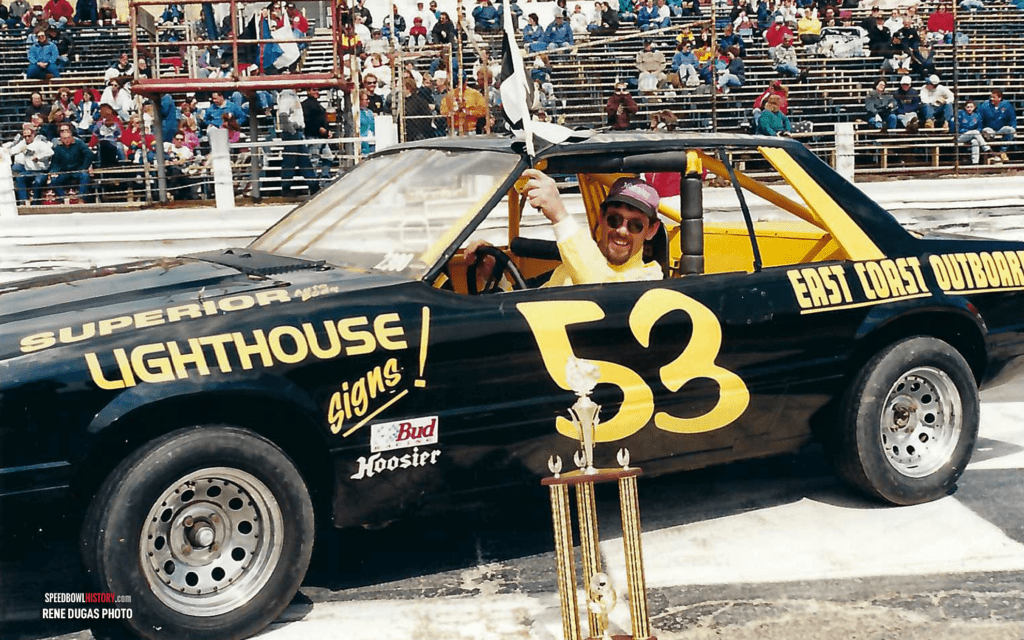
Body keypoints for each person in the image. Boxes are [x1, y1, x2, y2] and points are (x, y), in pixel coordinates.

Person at [466, 171, 664, 288]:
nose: (622, 230)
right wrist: (495, 277)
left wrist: (559, 215)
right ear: (602, 218)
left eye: (635, 225)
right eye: (614, 219)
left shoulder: (650, 280)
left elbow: (605, 291)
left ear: (651, 230)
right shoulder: (570, 268)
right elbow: (529, 314)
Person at [9, 125, 54, 205]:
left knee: (38, 182)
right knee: (20, 178)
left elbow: (50, 152)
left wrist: (39, 157)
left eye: (29, 136)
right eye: (25, 136)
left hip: (41, 171)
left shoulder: (40, 143)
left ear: (33, 134)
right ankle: (23, 201)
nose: (27, 138)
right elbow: (12, 151)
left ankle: (36, 202)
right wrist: (20, 149)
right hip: (29, 170)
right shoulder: (23, 143)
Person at [48, 123, 92, 202]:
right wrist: (53, 172)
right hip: (64, 171)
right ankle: (63, 199)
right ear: (61, 139)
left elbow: (88, 154)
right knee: (54, 180)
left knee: (85, 176)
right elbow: (55, 162)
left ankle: (81, 198)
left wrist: (84, 167)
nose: (67, 140)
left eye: (68, 138)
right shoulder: (58, 147)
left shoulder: (78, 143)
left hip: (77, 169)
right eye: (64, 138)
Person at [978, 88, 1016, 162]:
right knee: (986, 132)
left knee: (1011, 130)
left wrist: (1013, 127)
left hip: (1001, 128)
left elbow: (1012, 118)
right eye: (991, 97)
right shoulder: (984, 105)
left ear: (999, 98)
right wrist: (980, 129)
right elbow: (980, 119)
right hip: (989, 128)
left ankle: (1002, 151)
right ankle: (991, 154)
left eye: (994, 97)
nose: (992, 99)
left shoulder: (1007, 105)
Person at [957, 101, 993, 165]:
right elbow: (957, 128)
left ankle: (975, 163)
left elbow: (980, 127)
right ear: (965, 107)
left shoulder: (976, 115)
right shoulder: (960, 114)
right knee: (975, 132)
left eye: (971, 107)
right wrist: (968, 131)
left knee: (975, 142)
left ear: (974, 107)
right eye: (968, 107)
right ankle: (987, 149)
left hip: (973, 135)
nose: (969, 109)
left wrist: (974, 131)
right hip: (961, 136)